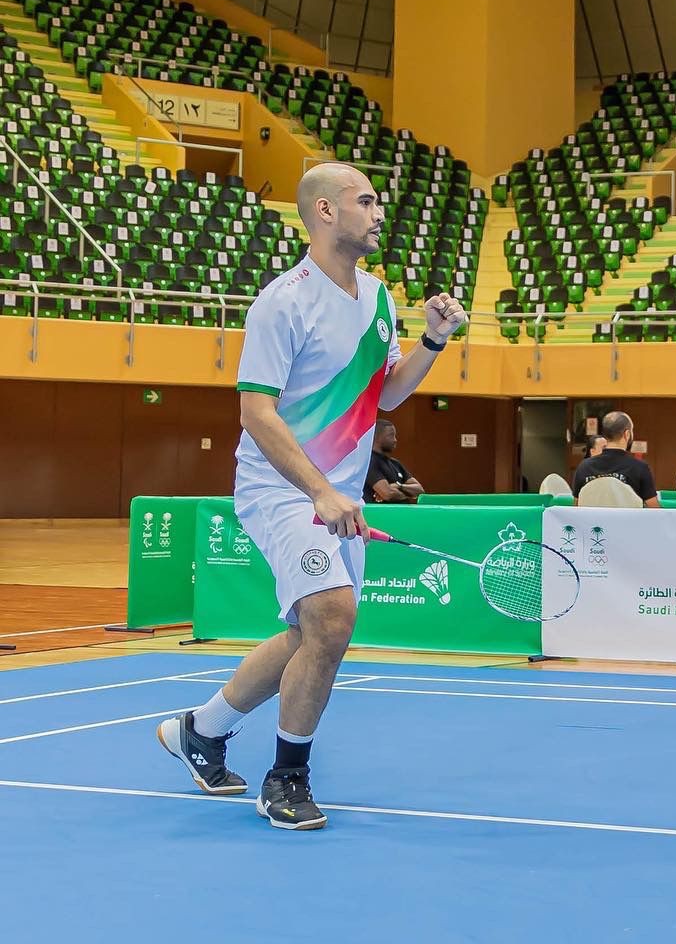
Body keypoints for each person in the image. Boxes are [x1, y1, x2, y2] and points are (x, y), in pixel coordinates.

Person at [156, 162, 469, 831]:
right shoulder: (283, 302)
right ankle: (286, 779)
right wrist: (321, 490)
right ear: (325, 211)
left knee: (311, 631)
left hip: (338, 494)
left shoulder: (377, 298)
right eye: (367, 201)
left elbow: (385, 394)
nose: (379, 213)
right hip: (282, 487)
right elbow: (256, 413)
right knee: (331, 617)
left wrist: (433, 342)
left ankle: (201, 731)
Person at [572, 411, 660, 507]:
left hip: (592, 517)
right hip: (627, 517)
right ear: (627, 434)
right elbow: (654, 509)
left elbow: (577, 506)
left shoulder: (584, 467)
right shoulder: (640, 468)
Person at [364, 419, 424, 503]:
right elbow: (387, 494)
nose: (395, 440)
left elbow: (420, 490)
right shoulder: (369, 462)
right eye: (390, 436)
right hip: (382, 511)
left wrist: (399, 486)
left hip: (403, 511)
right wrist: (408, 494)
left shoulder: (396, 463)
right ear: (376, 437)